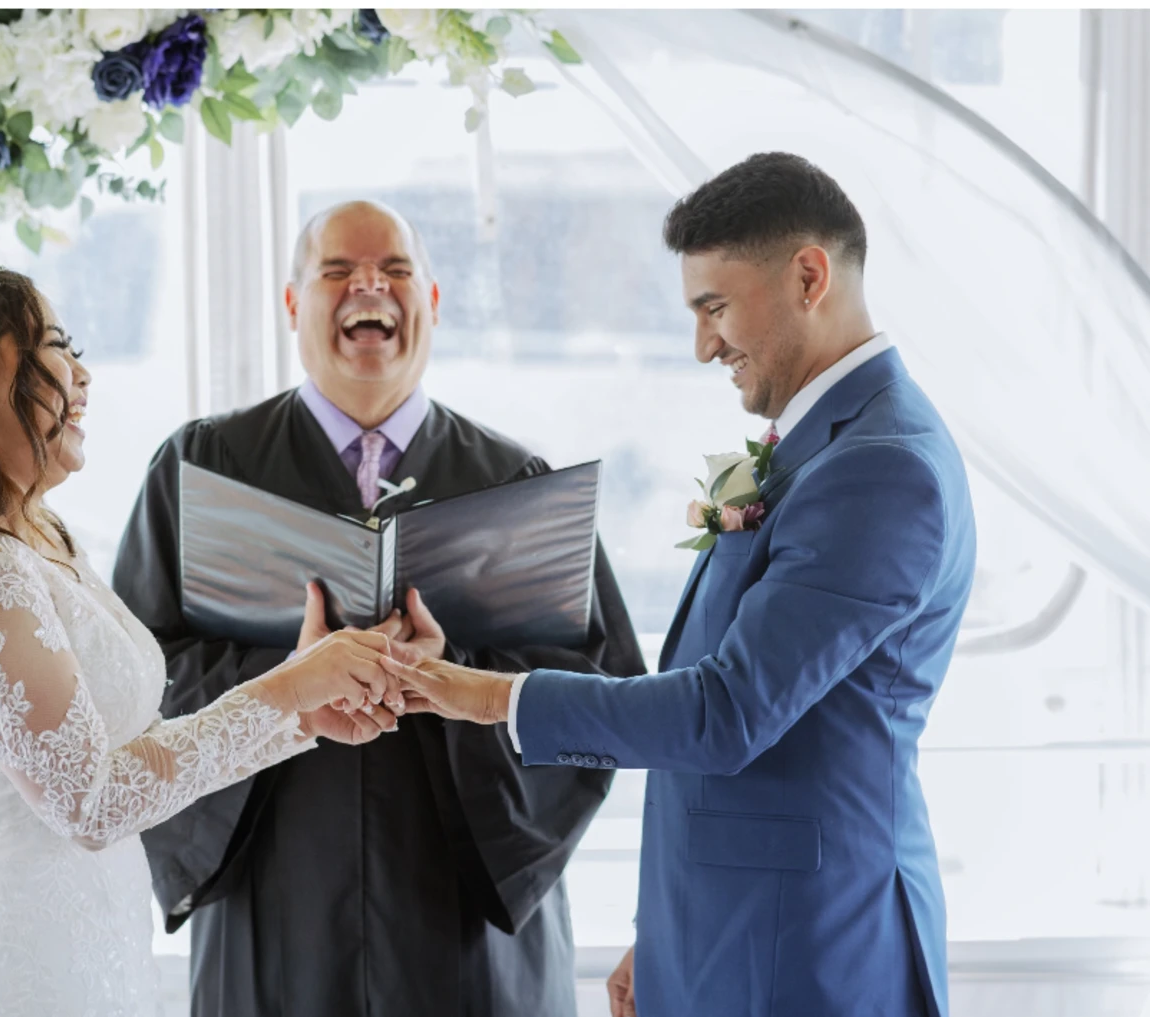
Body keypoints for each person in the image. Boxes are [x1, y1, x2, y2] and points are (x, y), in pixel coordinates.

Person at [383, 154, 978, 1017]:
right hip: (740, 924)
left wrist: (483, 695)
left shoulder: (883, 468)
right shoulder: (822, 446)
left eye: (715, 307)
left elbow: (725, 712)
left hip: (812, 947)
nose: (704, 345)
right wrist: (668, 925)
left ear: (809, 276)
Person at [0, 263, 399, 1017]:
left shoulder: (37, 538)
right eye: (54, 345)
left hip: (79, 945)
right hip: (12, 970)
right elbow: (93, 803)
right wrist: (288, 687)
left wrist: (296, 717)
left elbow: (124, 755)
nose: (82, 374)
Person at [115, 200, 647, 1016]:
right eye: (338, 270)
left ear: (432, 300)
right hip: (277, 901)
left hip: (465, 928)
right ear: (293, 303)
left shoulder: (515, 483)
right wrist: (292, 680)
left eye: (396, 270)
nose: (370, 286)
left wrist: (452, 676)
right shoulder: (203, 465)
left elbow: (599, 696)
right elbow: (130, 678)